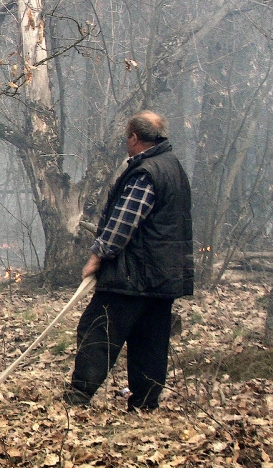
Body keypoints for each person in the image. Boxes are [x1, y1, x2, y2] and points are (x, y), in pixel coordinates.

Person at [65, 110, 194, 412]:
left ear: (134, 138)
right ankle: (145, 404)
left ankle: (77, 399)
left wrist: (97, 257)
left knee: (97, 330)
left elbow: (123, 223)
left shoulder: (146, 172)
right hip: (162, 276)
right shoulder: (173, 167)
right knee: (150, 341)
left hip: (131, 276)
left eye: (127, 138)